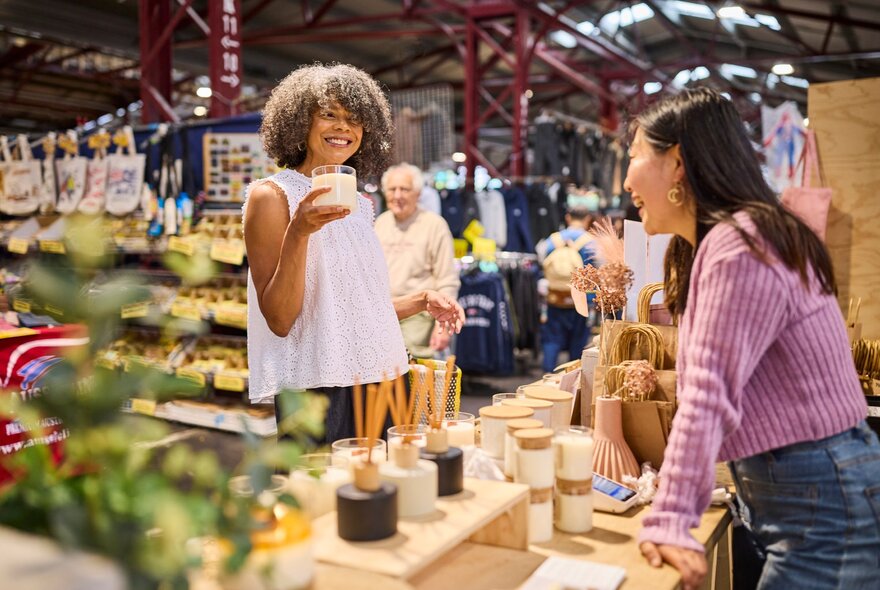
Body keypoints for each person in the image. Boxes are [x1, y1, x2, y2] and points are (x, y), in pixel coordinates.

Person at [624, 88, 879, 590]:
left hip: (822, 503)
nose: (627, 178)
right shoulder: (722, 241)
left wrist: (671, 516)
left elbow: (707, 393)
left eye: (633, 156)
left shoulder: (742, 244)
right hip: (804, 496)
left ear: (677, 165)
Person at [243, 63, 465, 443]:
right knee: (323, 500)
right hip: (319, 388)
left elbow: (350, 311)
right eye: (329, 114)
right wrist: (300, 232)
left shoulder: (361, 205)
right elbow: (279, 319)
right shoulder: (272, 196)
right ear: (299, 121)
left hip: (385, 378)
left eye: (355, 118)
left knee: (389, 491)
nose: (344, 127)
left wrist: (421, 300)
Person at [375, 162, 460, 358]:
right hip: (384, 313)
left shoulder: (434, 225)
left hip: (419, 317)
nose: (397, 196)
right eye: (392, 189)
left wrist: (443, 327)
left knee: (413, 376)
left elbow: (447, 279)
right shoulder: (380, 223)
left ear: (418, 194)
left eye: (404, 189)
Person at [535, 206, 595, 374]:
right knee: (578, 342)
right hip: (581, 300)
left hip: (555, 298)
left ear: (568, 218)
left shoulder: (552, 240)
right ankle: (573, 379)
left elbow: (541, 261)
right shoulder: (590, 242)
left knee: (551, 340)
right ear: (587, 219)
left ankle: (547, 377)